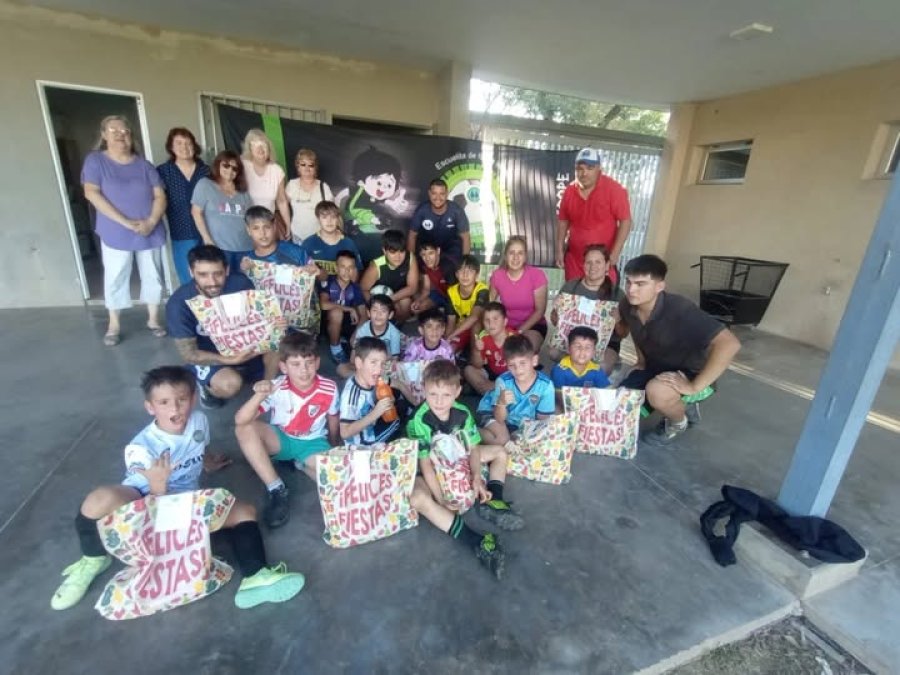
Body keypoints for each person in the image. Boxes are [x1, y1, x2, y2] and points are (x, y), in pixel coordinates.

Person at [50, 366, 305, 612]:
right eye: (163, 402)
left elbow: (198, 446)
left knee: (245, 512)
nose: (174, 407)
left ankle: (255, 576)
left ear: (193, 398)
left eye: (181, 399)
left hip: (184, 500)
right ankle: (93, 558)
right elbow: (149, 507)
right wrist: (157, 488)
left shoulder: (199, 421)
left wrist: (208, 460)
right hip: (141, 500)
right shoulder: (141, 447)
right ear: (150, 407)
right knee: (98, 500)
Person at [407, 360, 522, 579]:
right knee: (417, 499)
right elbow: (425, 466)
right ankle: (478, 541)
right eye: (432, 394)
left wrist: (477, 477)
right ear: (424, 389)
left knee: (499, 452)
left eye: (446, 395)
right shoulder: (418, 421)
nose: (439, 402)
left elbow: (474, 448)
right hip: (429, 470)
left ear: (458, 392)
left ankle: (494, 500)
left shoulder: (463, 413)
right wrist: (441, 499)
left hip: (457, 460)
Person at [618, 255, 741, 446]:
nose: (631, 289)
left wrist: (694, 386)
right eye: (628, 282)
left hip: (690, 372)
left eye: (640, 284)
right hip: (655, 366)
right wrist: (641, 361)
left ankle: (678, 422)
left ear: (659, 286)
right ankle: (683, 405)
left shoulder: (679, 309)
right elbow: (637, 331)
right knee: (622, 404)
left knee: (656, 393)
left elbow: (730, 344)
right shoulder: (627, 304)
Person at [234, 332, 340, 529]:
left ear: (317, 362)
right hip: (281, 438)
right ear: (283, 367)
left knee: (336, 479)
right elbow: (240, 419)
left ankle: (300, 464)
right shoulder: (276, 387)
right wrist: (259, 395)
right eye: (295, 364)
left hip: (313, 443)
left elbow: (333, 417)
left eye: (309, 362)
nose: (304, 370)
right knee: (244, 429)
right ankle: (276, 487)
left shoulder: (330, 388)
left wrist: (335, 446)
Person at [81, 115, 167, 346]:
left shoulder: (144, 165)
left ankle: (153, 319)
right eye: (114, 130)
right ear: (104, 135)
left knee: (153, 275)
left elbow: (159, 195)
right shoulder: (96, 161)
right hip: (116, 231)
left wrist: (150, 221)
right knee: (116, 276)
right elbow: (91, 193)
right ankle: (114, 324)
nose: (120, 134)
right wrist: (126, 222)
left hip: (150, 229)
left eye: (125, 131)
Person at [166, 245, 282, 408]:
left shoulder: (241, 283)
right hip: (211, 356)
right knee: (230, 384)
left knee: (279, 344)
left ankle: (267, 390)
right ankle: (207, 387)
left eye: (218, 274)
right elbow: (188, 353)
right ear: (191, 272)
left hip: (245, 346)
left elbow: (260, 320)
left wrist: (275, 325)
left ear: (227, 270)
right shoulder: (179, 303)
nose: (212, 282)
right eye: (203, 275)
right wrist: (228, 359)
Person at [556, 147, 632, 282]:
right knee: (574, 300)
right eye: (580, 168)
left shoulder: (614, 189)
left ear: (599, 169)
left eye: (590, 168)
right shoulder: (569, 191)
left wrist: (614, 254)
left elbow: (626, 221)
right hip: (575, 261)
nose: (584, 173)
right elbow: (563, 221)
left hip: (603, 263)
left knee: (604, 300)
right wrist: (559, 250)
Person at [549, 244, 622, 371]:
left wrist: (618, 321)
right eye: (589, 262)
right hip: (573, 340)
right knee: (553, 352)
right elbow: (556, 323)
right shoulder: (570, 287)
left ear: (607, 265)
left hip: (605, 344)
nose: (593, 266)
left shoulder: (617, 294)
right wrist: (556, 311)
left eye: (598, 262)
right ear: (583, 265)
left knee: (602, 367)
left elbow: (623, 333)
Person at [476, 334, 555, 446]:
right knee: (502, 440)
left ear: (534, 360)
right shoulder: (503, 381)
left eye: (522, 363)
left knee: (534, 441)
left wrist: (533, 434)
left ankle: (511, 435)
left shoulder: (546, 386)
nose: (518, 369)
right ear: (506, 365)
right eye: (512, 365)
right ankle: (471, 433)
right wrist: (501, 403)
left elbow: (543, 419)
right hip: (491, 412)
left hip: (518, 421)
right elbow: (499, 418)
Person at [157, 127, 209, 285]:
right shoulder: (164, 171)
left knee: (211, 273)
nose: (184, 147)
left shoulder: (206, 171)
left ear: (194, 146)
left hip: (208, 230)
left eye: (188, 143)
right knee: (187, 276)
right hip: (181, 231)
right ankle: (192, 307)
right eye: (179, 143)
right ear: (171, 147)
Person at [190, 150, 254, 271]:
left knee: (243, 285)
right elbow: (196, 212)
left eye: (235, 168)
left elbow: (250, 219)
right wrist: (207, 239)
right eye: (226, 165)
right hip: (219, 248)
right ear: (218, 164)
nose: (230, 170)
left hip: (245, 248)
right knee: (222, 284)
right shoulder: (205, 185)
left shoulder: (243, 191)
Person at [489, 235, 548, 353]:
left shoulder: (537, 275)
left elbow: (540, 311)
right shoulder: (497, 275)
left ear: (525, 256)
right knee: (492, 349)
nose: (515, 257)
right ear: (506, 256)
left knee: (522, 350)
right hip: (505, 325)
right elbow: (489, 305)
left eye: (520, 253)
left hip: (532, 326)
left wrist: (518, 332)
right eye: (512, 253)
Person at [338, 337, 402, 446]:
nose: (379, 370)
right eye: (373, 362)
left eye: (382, 364)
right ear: (359, 363)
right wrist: (375, 414)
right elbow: (344, 433)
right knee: (398, 422)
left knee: (399, 402)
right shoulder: (352, 396)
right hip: (363, 442)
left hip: (370, 421)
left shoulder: (368, 379)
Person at [336, 294, 404, 379]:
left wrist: (382, 368)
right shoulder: (363, 330)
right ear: (368, 313)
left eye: (383, 311)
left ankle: (368, 379)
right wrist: (360, 366)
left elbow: (395, 358)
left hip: (383, 365)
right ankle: (370, 378)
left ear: (390, 315)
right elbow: (354, 354)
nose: (378, 314)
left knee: (396, 370)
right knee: (341, 368)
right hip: (366, 364)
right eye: (375, 310)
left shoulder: (394, 333)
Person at [360, 229, 419, 324]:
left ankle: (397, 326)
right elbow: (363, 289)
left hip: (396, 296)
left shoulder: (410, 258)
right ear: (384, 251)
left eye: (401, 251)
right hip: (378, 298)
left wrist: (389, 300)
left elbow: (413, 287)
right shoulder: (376, 266)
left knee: (406, 302)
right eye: (393, 252)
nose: (398, 256)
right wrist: (375, 305)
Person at [319, 250, 368, 364]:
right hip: (326, 324)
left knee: (359, 318)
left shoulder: (355, 288)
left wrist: (357, 334)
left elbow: (364, 314)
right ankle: (335, 348)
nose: (347, 271)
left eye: (351, 267)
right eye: (343, 267)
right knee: (337, 312)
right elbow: (323, 304)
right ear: (336, 268)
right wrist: (349, 309)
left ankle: (345, 340)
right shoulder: (328, 282)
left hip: (346, 325)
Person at [407, 178, 471, 264]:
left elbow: (465, 237)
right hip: (428, 251)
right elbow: (412, 235)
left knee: (450, 270)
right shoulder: (422, 210)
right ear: (429, 193)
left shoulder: (457, 211)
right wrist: (411, 261)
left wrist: (464, 262)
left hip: (450, 251)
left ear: (447, 194)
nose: (438, 198)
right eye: (434, 193)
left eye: (442, 194)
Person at [241, 129, 291, 235]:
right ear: (249, 148)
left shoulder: (277, 170)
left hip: (267, 226)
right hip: (244, 225)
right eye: (255, 144)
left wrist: (288, 225)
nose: (260, 148)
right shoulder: (242, 166)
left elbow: (281, 201)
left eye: (263, 144)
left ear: (269, 148)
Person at [238, 206, 318, 271]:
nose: (262, 233)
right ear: (248, 230)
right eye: (256, 228)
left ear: (274, 226)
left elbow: (322, 275)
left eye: (267, 227)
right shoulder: (248, 262)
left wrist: (315, 271)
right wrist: (244, 271)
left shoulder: (295, 251)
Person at [464, 302, 518, 395]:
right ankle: (494, 393)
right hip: (491, 373)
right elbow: (477, 365)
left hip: (511, 375)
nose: (491, 323)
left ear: (505, 322)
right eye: (487, 320)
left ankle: (492, 393)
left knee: (523, 377)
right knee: (468, 370)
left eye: (495, 319)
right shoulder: (483, 338)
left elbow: (521, 368)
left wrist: (495, 384)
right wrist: (477, 350)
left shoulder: (515, 338)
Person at [299, 200, 363, 275]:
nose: (329, 221)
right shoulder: (308, 244)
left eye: (333, 217)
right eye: (324, 217)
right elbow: (300, 273)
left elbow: (356, 273)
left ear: (337, 219)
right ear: (318, 219)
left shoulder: (348, 244)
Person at [551, 326, 610, 406]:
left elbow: (605, 390)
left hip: (586, 406)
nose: (582, 351)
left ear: (594, 352)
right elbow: (558, 395)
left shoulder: (597, 370)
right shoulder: (559, 370)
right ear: (568, 349)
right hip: (564, 404)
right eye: (578, 346)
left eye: (588, 347)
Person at [285, 148, 334, 243]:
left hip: (320, 237)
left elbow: (333, 214)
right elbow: (282, 207)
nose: (307, 168)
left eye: (311, 165)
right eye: (303, 164)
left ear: (315, 168)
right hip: (297, 236)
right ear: (297, 166)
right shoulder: (291, 185)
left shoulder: (323, 187)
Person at [446, 254, 490, 354]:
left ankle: (475, 356)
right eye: (461, 270)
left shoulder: (482, 289)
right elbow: (451, 321)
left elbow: (474, 317)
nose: (465, 275)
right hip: (462, 326)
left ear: (477, 274)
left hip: (482, 327)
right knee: (449, 349)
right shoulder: (451, 292)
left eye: (470, 271)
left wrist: (453, 334)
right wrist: (447, 340)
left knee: (475, 326)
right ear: (456, 274)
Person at [410, 241, 457, 315]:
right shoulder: (423, 265)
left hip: (453, 297)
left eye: (430, 253)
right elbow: (426, 290)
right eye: (423, 255)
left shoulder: (447, 266)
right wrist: (418, 301)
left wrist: (448, 312)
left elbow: (454, 293)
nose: (427, 258)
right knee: (419, 308)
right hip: (439, 294)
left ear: (438, 251)